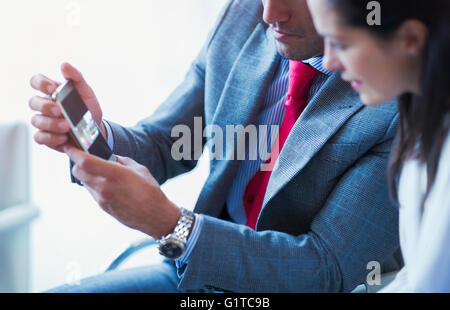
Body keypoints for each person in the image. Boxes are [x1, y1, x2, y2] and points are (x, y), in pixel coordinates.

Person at [29, 0, 402, 293]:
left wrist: (172, 225)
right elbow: (166, 143)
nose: (270, 13)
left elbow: (325, 270)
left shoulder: (395, 97)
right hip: (195, 274)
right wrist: (95, 138)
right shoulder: (245, 15)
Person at [307, 0, 450, 292]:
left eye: (340, 44)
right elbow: (417, 273)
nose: (329, 61)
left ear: (410, 38)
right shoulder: (421, 121)